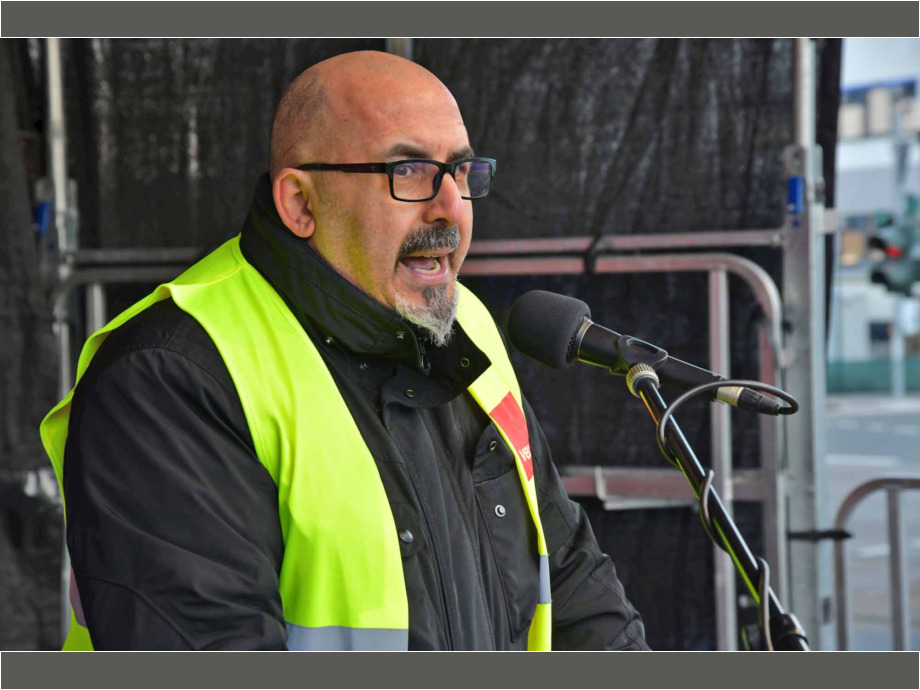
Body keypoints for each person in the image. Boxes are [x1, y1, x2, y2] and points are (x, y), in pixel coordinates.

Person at [41, 50, 649, 651]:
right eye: (408, 171)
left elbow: (572, 578)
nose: (451, 208)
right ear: (300, 204)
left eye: (461, 172)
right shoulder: (169, 376)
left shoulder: (466, 322)